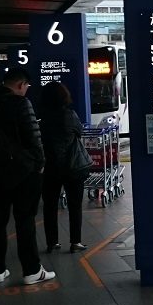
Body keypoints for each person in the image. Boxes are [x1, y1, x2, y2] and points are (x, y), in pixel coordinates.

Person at [0, 67, 55, 285]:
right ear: (21, 85)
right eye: (27, 87)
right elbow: (33, 136)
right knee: (25, 220)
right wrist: (40, 164)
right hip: (22, 172)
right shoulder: (21, 103)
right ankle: (31, 270)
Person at [38, 82, 89, 254]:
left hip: (50, 167)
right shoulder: (70, 115)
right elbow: (79, 132)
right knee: (75, 205)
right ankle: (76, 242)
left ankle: (52, 242)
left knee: (50, 205)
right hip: (73, 166)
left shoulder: (42, 118)